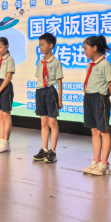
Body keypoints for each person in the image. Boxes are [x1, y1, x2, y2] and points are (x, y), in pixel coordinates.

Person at [81, 35, 111, 176]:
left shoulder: (105, 64)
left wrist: (105, 99)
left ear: (94, 48)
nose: (84, 51)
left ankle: (104, 163)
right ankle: (96, 161)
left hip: (100, 98)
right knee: (94, 131)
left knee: (104, 131)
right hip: (89, 98)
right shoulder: (89, 65)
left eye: (86, 49)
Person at [31, 33, 63, 164]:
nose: (41, 47)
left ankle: (52, 151)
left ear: (51, 45)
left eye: (43, 45)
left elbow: (59, 81)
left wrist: (60, 99)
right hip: (40, 91)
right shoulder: (40, 62)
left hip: (50, 91)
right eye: (39, 45)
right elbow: (39, 78)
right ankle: (44, 149)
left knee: (52, 123)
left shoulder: (56, 62)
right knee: (43, 123)